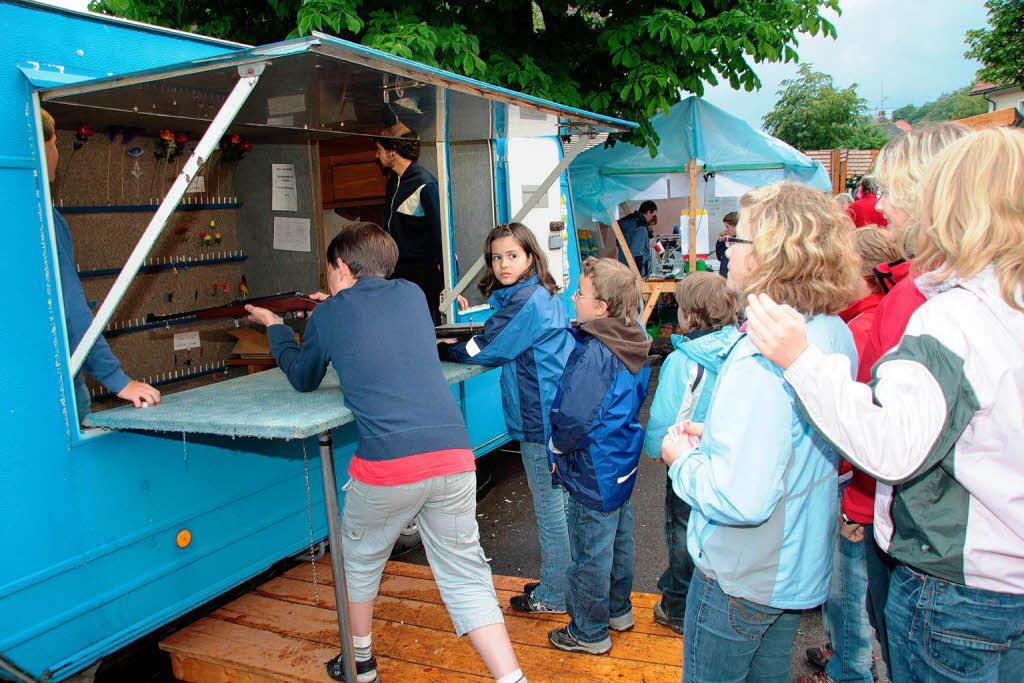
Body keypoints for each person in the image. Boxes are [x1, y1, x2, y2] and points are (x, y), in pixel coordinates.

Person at [745, 126, 1024, 683]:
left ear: (948, 201)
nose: (881, 206)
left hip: (959, 585)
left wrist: (800, 361)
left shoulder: (952, 315)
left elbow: (894, 446)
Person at [245, 222, 524, 683]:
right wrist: (332, 311)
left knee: (359, 560)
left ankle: (362, 664)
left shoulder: (329, 315)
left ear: (339, 267)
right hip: (454, 455)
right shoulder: (412, 295)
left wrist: (277, 328)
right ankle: (511, 678)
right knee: (466, 576)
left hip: (389, 465)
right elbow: (372, 320)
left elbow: (303, 376)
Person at [662, 182, 858, 683]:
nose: (727, 247)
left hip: (742, 573)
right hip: (793, 564)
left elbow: (740, 498)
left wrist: (680, 459)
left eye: (739, 239)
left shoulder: (762, 354)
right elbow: (794, 441)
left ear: (773, 253)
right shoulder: (828, 330)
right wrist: (723, 433)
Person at [838, 122, 970, 672]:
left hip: (935, 554)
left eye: (890, 192)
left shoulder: (929, 297)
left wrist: (858, 506)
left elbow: (893, 429)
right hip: (930, 540)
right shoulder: (921, 286)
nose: (879, 207)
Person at [441, 223, 575, 614]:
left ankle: (554, 594)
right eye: (496, 257)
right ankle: (560, 579)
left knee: (550, 510)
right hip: (554, 413)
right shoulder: (537, 294)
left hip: (540, 420)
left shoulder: (527, 301)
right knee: (560, 506)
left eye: (512, 256)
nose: (502, 264)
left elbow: (485, 346)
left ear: (531, 257)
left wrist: (445, 350)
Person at [803, 227, 900, 683]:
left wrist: (855, 505)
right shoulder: (878, 315)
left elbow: (856, 423)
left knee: (848, 592)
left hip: (854, 488)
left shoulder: (861, 329)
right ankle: (845, 652)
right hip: (863, 487)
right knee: (855, 595)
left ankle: (849, 669)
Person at [545, 257, 651, 654]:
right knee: (619, 539)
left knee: (590, 550)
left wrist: (556, 445)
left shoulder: (594, 352)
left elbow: (574, 416)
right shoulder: (634, 336)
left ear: (602, 307)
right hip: (621, 459)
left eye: (580, 293)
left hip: (592, 466)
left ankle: (589, 632)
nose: (574, 299)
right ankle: (618, 610)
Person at [39, 108, 160, 418]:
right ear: (44, 147)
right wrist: (118, 381)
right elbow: (70, 308)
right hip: (55, 391)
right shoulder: (43, 221)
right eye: (55, 144)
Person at [642, 272, 740, 635]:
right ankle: (704, 598)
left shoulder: (683, 360)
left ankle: (678, 606)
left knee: (682, 531)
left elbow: (665, 416)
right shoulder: (739, 349)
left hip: (687, 462)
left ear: (690, 315)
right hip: (726, 458)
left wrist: (656, 450)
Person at [376, 132, 443, 324]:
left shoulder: (425, 184)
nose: (376, 155)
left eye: (379, 150)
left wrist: (449, 286)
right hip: (397, 279)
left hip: (423, 283)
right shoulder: (392, 183)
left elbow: (441, 238)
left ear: (392, 152)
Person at [616, 200, 657, 277]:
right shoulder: (640, 226)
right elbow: (637, 251)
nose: (652, 218)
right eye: (652, 215)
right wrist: (638, 272)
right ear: (648, 212)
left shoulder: (627, 221)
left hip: (622, 263)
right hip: (634, 268)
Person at [714, 212, 738, 280]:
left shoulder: (742, 242)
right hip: (724, 278)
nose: (726, 230)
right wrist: (720, 241)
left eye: (728, 227)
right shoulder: (728, 240)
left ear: (735, 226)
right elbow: (720, 257)